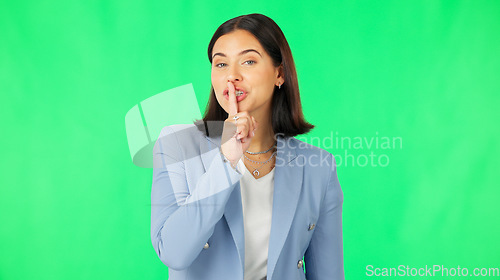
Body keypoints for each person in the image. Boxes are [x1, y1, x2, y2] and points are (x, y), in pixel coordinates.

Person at [151, 13, 344, 280]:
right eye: (220, 64)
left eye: (249, 61)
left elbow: (328, 273)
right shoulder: (176, 145)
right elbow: (173, 252)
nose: (231, 76)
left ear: (279, 73)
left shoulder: (319, 167)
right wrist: (226, 161)